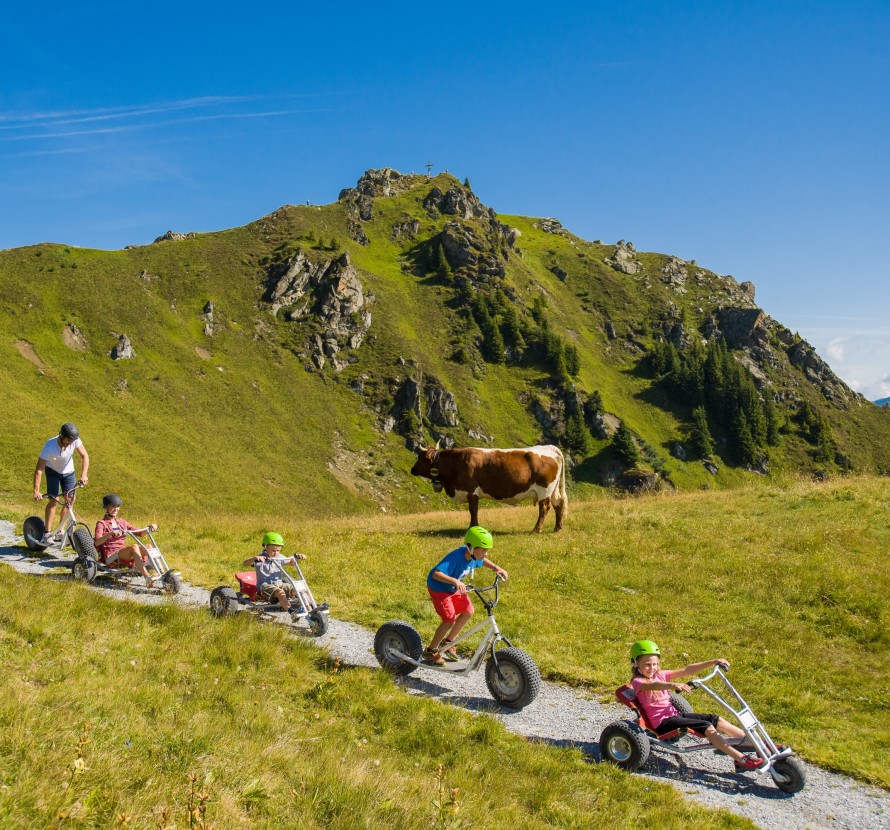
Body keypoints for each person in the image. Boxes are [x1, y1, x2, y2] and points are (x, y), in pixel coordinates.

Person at [629, 640, 765, 771]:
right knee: (707, 727)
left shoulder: (660, 675)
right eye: (647, 665)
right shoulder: (638, 681)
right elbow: (653, 686)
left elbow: (687, 670)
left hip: (674, 716)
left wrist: (713, 662)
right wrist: (672, 684)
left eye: (655, 664)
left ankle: (752, 743)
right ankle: (741, 759)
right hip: (662, 724)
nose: (652, 668)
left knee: (715, 719)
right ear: (636, 663)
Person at [423, 526, 508, 666]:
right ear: (471, 547)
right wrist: (455, 581)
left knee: (468, 611)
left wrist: (497, 568)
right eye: (483, 550)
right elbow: (436, 574)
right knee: (449, 620)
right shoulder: (456, 557)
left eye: (487, 550)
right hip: (439, 588)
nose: (486, 554)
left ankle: (449, 642)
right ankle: (431, 651)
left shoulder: (474, 555)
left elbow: (482, 561)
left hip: (452, 587)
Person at [33, 422, 90, 544]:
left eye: (72, 440)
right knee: (53, 500)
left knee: (70, 499)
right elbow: (39, 470)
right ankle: (47, 534)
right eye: (68, 440)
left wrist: (84, 474)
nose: (71, 443)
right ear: (61, 436)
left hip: (69, 472)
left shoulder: (74, 440)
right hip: (53, 472)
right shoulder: (49, 446)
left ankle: (60, 531)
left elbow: (85, 456)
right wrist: (36, 491)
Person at [93, 494, 157, 586]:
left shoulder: (122, 522)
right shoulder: (101, 523)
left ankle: (162, 573)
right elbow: (97, 542)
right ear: (107, 507)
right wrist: (110, 534)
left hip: (122, 553)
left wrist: (150, 527)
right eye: (113, 506)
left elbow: (140, 533)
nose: (116, 509)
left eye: (118, 506)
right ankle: (147, 577)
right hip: (111, 556)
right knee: (134, 547)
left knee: (148, 547)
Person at [242, 532, 306, 617]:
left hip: (280, 583)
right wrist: (254, 558)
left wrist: (298, 558)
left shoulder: (279, 557)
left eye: (278, 550)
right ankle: (292, 612)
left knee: (298, 589)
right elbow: (245, 563)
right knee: (280, 592)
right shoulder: (260, 558)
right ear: (265, 547)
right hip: (265, 586)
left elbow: (291, 563)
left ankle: (309, 608)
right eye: (273, 550)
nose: (276, 553)